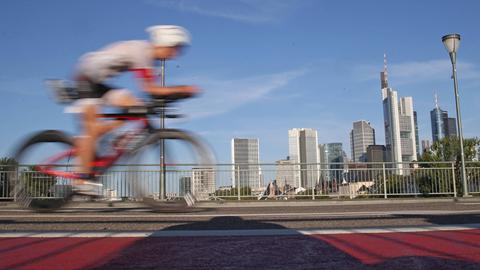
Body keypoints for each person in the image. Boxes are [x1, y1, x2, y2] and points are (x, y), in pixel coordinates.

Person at [64, 25, 198, 195]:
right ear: (165, 43)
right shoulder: (142, 52)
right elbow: (151, 89)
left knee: (136, 106)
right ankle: (80, 178)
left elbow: (153, 92)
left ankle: (105, 141)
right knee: (91, 128)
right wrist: (182, 89)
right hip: (85, 78)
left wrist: (171, 96)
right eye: (175, 49)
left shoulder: (149, 58)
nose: (175, 54)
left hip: (99, 83)